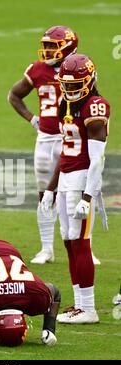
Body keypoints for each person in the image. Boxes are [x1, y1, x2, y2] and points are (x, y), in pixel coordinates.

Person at [41, 54, 109, 323]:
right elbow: (64, 152)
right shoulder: (64, 104)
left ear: (90, 80)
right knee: (69, 242)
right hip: (67, 179)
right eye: (66, 85)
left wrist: (87, 196)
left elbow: (98, 159)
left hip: (83, 181)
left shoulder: (95, 106)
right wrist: (50, 188)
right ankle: (79, 304)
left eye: (75, 84)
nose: (69, 90)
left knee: (81, 243)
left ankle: (89, 309)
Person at [8, 26, 79, 264]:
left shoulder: (79, 69)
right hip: (46, 139)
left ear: (68, 46)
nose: (47, 50)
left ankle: (81, 247)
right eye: (46, 45)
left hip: (71, 137)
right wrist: (32, 119)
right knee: (44, 193)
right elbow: (14, 95)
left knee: (74, 193)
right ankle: (46, 248)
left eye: (52, 45)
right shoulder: (37, 70)